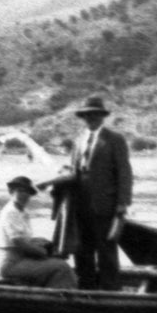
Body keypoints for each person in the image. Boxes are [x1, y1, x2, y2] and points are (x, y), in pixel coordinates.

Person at [61, 95, 133, 290]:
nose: (90, 118)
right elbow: (73, 171)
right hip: (80, 206)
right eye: (87, 115)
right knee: (82, 251)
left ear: (102, 116)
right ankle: (87, 291)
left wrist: (122, 204)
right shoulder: (79, 141)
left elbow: (124, 173)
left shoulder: (114, 139)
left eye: (94, 114)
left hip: (105, 206)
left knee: (106, 251)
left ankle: (111, 293)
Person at [0, 175, 77, 289]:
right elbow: (19, 242)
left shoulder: (22, 212)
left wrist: (40, 244)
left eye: (27, 192)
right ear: (11, 192)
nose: (24, 195)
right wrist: (43, 253)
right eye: (20, 191)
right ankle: (58, 296)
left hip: (22, 259)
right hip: (12, 264)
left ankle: (56, 292)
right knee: (61, 267)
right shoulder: (10, 212)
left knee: (57, 262)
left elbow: (24, 239)